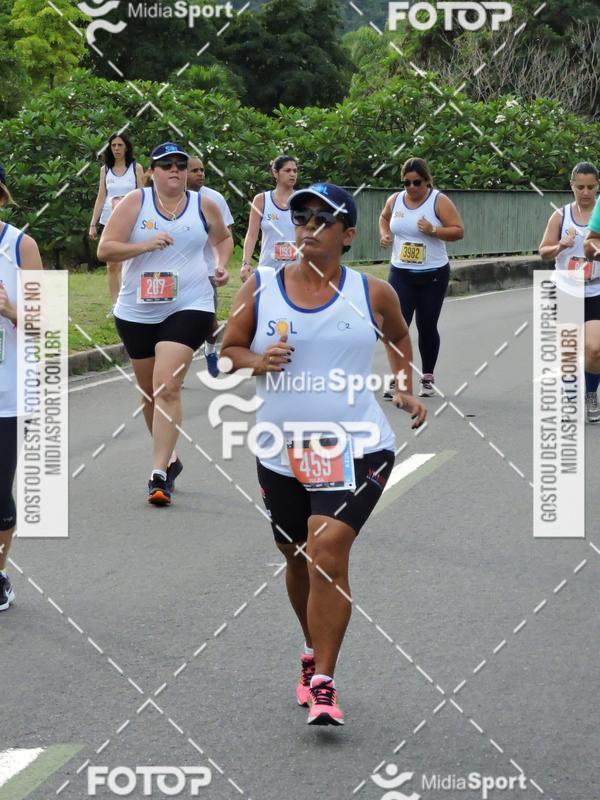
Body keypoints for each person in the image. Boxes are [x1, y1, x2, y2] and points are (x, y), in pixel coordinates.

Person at [221, 183, 426, 726]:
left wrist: (403, 387)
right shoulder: (262, 287)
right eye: (301, 216)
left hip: (357, 445)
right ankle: (311, 648)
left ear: (348, 234)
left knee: (327, 549)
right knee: (296, 557)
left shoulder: (372, 292)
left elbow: (398, 337)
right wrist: (257, 360)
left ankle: (324, 683)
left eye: (322, 219)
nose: (308, 226)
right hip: (280, 449)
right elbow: (227, 352)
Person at [98, 142, 233, 505]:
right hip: (137, 310)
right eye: (167, 164)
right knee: (149, 393)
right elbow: (105, 249)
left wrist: (221, 265)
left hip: (190, 304)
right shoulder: (135, 203)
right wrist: (144, 246)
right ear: (152, 172)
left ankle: (158, 474)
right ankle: (170, 458)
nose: (175, 170)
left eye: (180, 165)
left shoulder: (203, 204)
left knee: (167, 387)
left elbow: (223, 238)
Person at [379, 157, 464, 397]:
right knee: (397, 326)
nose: (411, 187)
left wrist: (433, 230)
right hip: (401, 272)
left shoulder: (439, 201)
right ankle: (398, 377)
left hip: (433, 274)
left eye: (417, 182)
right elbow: (384, 217)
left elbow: (458, 231)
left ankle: (427, 377)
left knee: (426, 326)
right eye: (406, 182)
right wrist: (385, 234)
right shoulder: (395, 200)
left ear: (427, 181)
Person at [0, 162, 44, 610]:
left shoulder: (19, 245)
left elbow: (44, 321)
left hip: (7, 394)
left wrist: (11, 310)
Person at [540, 162, 600, 423]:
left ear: (597, 187)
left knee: (595, 349)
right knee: (568, 350)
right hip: (566, 287)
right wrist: (560, 247)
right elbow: (543, 251)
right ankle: (570, 399)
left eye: (591, 187)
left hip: (596, 288)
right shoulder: (560, 216)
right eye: (580, 187)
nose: (585, 192)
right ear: (572, 186)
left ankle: (590, 394)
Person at [187, 157, 234, 377]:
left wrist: (221, 264)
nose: (200, 174)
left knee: (209, 322)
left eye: (202, 170)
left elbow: (226, 236)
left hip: (206, 270)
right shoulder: (168, 198)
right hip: (175, 273)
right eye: (194, 170)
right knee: (175, 323)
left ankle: (210, 350)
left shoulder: (213, 199)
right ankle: (175, 369)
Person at [89, 133, 145, 311]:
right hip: (110, 221)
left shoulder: (136, 168)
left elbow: (143, 195)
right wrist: (93, 223)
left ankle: (134, 302)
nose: (116, 149)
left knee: (133, 262)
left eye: (120, 145)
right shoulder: (105, 170)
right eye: (113, 145)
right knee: (112, 265)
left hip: (132, 220)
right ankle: (116, 305)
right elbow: (101, 197)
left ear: (126, 147)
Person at [241, 155, 298, 281]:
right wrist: (246, 263)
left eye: (295, 171)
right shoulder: (261, 200)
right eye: (287, 170)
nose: (292, 174)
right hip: (267, 272)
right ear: (275, 173)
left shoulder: (303, 200)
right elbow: (252, 235)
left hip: (297, 274)